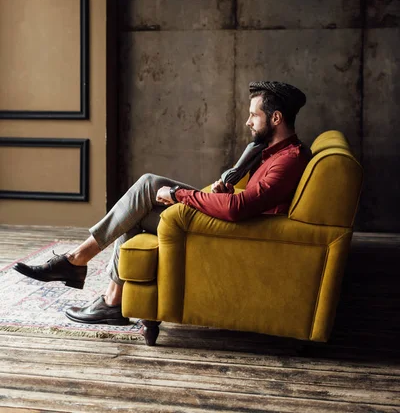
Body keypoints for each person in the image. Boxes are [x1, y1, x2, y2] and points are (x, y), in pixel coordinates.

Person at [13, 80, 312, 326]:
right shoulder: (271, 151)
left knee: (147, 190)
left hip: (235, 233)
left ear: (276, 118)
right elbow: (248, 198)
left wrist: (178, 195)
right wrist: (226, 186)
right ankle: (108, 298)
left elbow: (238, 210)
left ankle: (78, 264)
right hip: (235, 222)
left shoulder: (288, 160)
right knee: (142, 198)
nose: (248, 121)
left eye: (254, 115)